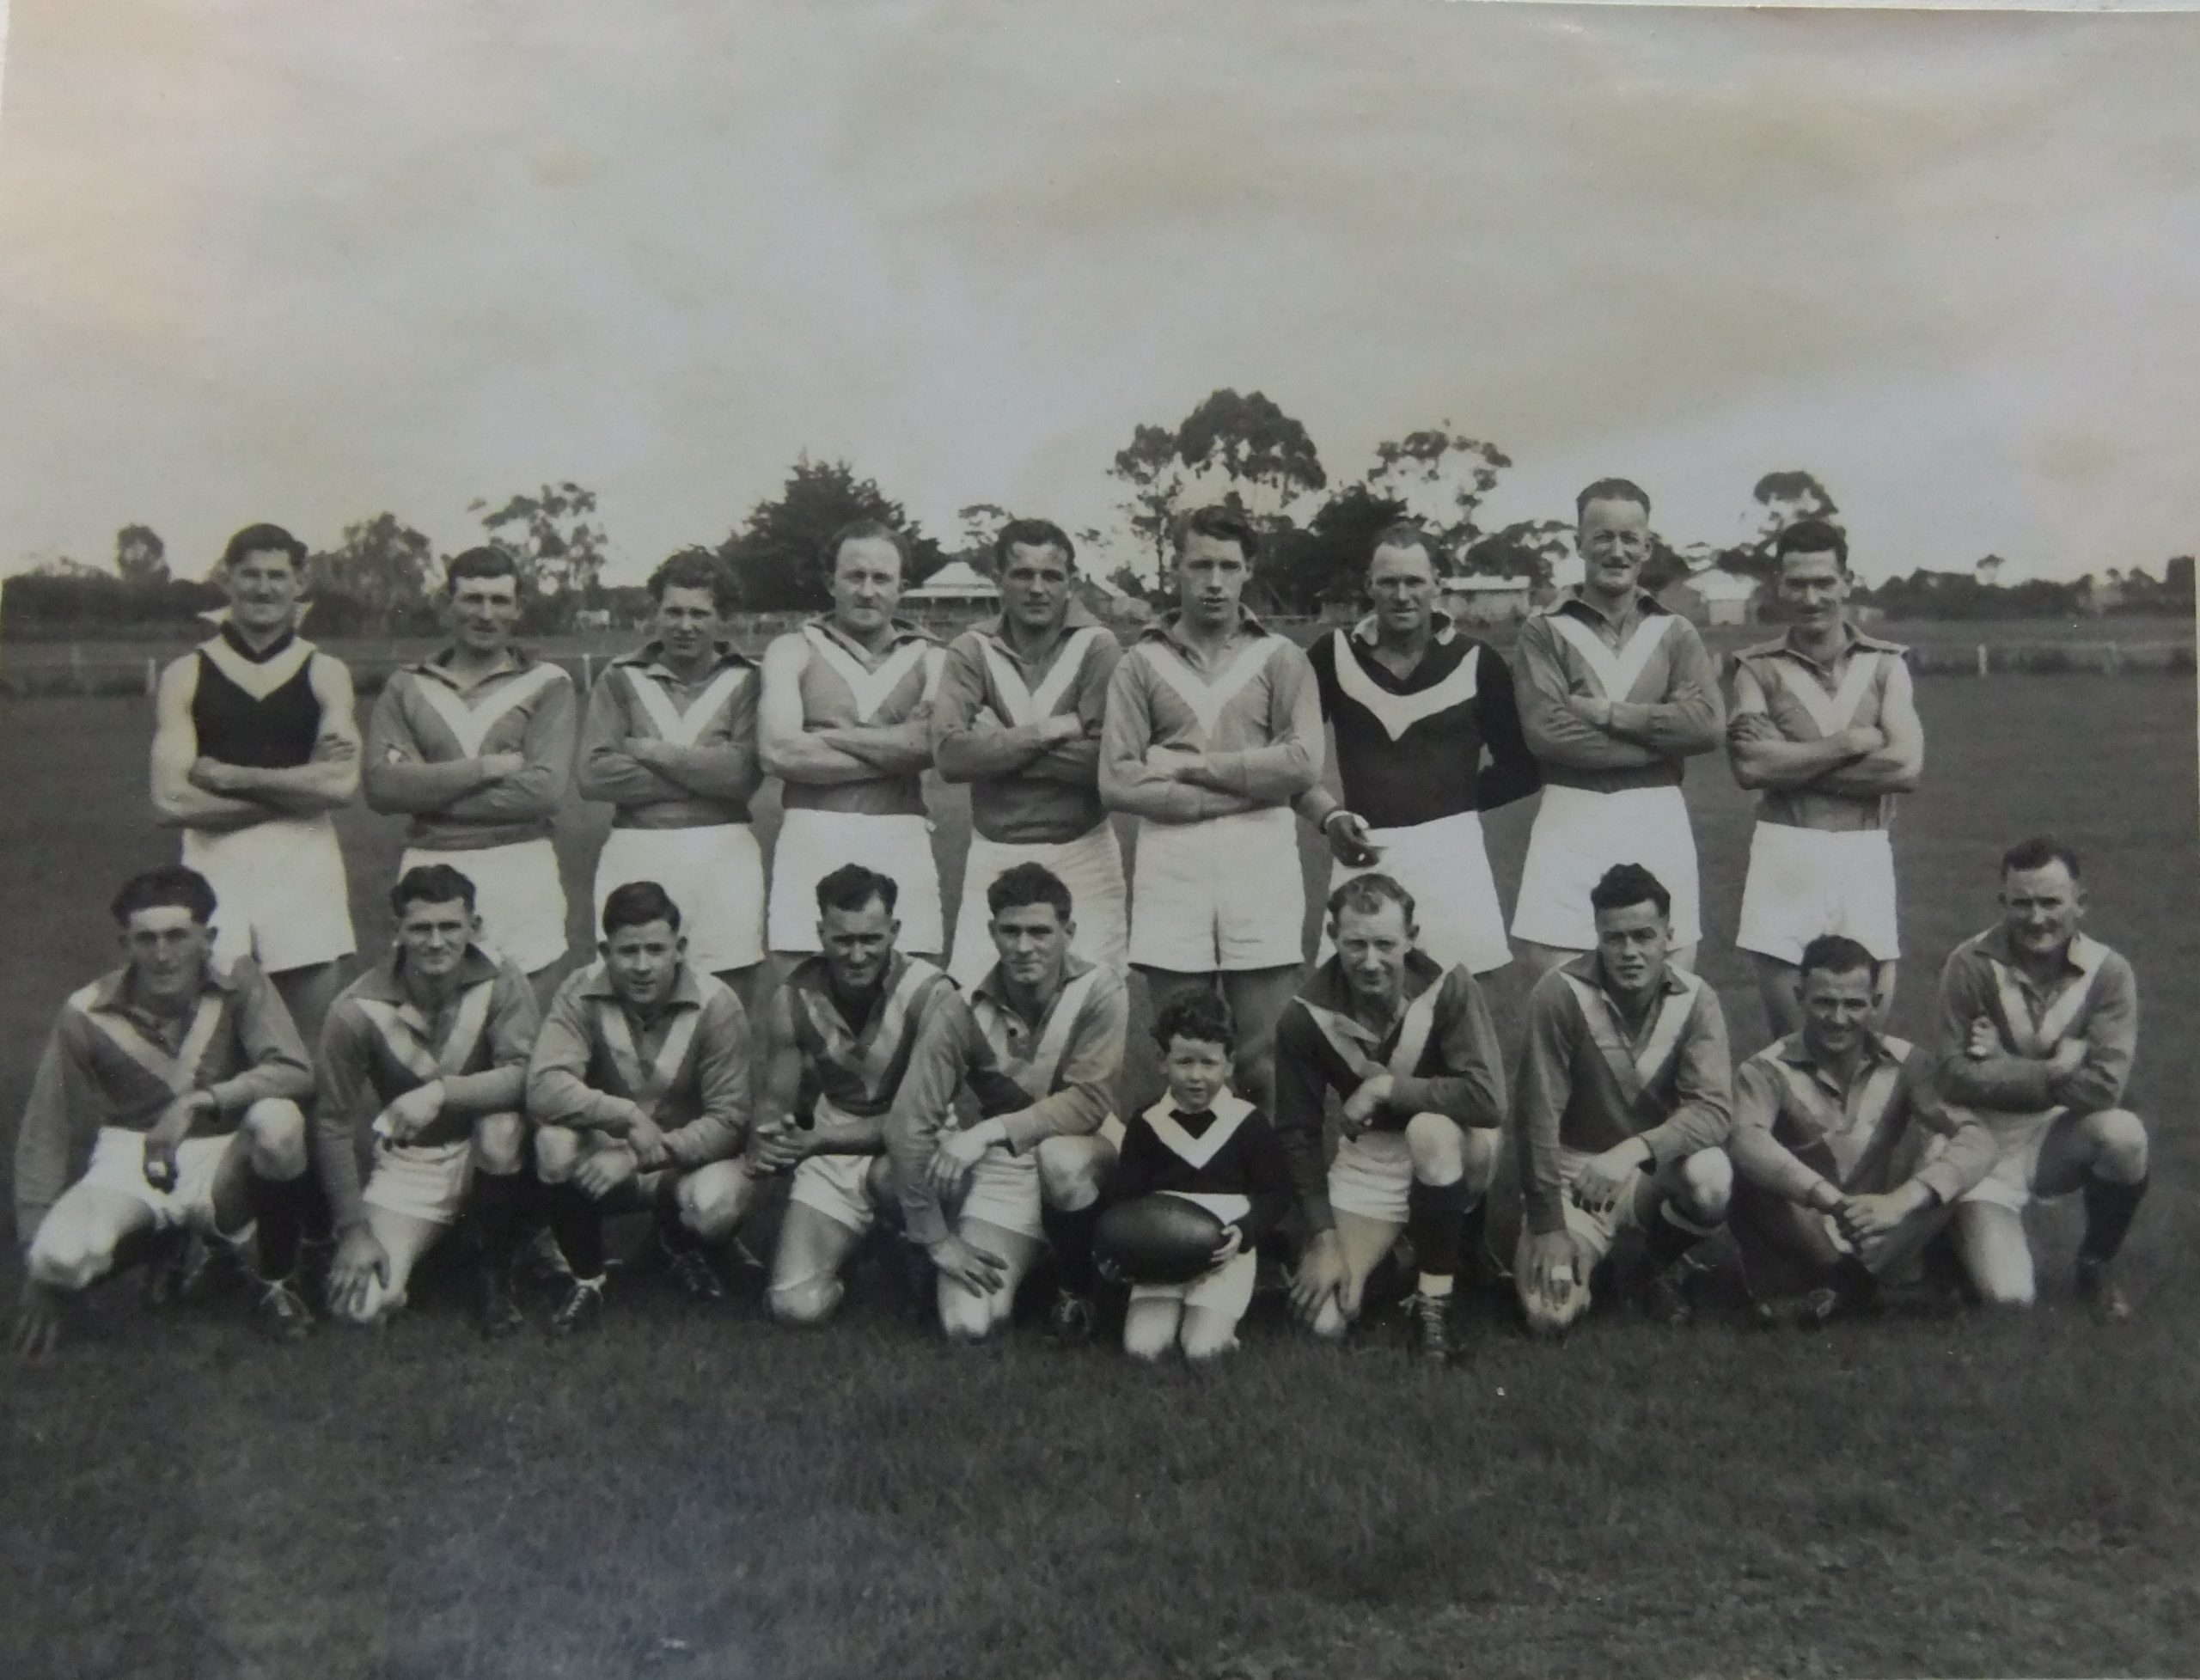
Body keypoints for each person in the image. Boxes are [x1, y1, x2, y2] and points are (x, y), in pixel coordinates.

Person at [13, 866, 319, 1354]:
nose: (162, 954)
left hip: (224, 1152)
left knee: (279, 1122)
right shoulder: (86, 1011)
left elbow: (294, 1069)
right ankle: (163, 1241)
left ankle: (278, 1284)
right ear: (124, 943)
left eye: (177, 936)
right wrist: (38, 1262)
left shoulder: (238, 981)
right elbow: (45, 1129)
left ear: (207, 936)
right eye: (146, 938)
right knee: (61, 1258)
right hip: (132, 1154)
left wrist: (201, 1100)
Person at [1099, 506, 1323, 1108]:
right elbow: (1118, 783)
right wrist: (1249, 785)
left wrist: (1193, 768)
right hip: (1173, 865)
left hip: (1263, 862)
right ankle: (1187, 1191)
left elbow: (1302, 764)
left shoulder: (1281, 657)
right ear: (1177, 568)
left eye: (1229, 566)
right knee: (1183, 1050)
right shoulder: (1140, 662)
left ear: (1249, 569)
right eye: (1201, 565)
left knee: (1266, 1053)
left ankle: (1274, 1192)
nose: (1215, 581)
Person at [1275, 875, 1506, 1364]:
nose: (1371, 960)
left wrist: (1385, 1088)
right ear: (1334, 937)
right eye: (1355, 944)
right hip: (1373, 1156)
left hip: (1454, 1142)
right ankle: (1416, 1248)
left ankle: (1434, 1302)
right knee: (1326, 1320)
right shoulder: (1304, 1017)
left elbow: (1487, 1100)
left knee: (1429, 1132)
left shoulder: (1449, 988)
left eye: (1385, 943)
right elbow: (1296, 1133)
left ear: (1412, 936)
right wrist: (1323, 1238)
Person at [897, 863, 1131, 1343]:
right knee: (967, 1325)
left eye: (1040, 932)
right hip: (1009, 1167)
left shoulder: (1100, 988)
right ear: (992, 932)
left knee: (1061, 1162)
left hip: (1090, 1151)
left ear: (1068, 932)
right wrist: (936, 1240)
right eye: (1011, 931)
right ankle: (1040, 1257)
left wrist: (984, 1132)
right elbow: (908, 1123)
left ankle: (1076, 1289)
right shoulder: (960, 1008)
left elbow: (1089, 1102)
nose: (1024, 947)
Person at [1296, 523, 1538, 979]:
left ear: (1437, 586)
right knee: (1359, 1023)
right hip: (1365, 856)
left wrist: (1454, 806)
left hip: (1454, 860)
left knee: (1458, 1023)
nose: (1402, 595)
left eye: (1414, 581)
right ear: (1369, 585)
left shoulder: (1478, 661)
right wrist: (1329, 818)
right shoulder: (1332, 656)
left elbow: (1523, 766)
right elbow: (1290, 756)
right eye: (1388, 582)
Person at [150, 522, 360, 1041]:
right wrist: (295, 792)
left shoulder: (325, 671)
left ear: (299, 583)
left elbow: (340, 786)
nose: (263, 589)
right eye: (250, 575)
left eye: (276, 575)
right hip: (213, 863)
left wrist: (227, 776)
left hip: (304, 861)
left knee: (309, 1041)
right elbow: (170, 800)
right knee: (210, 1037)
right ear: (226, 579)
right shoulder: (187, 673)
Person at [315, 864, 541, 1336]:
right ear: (396, 931)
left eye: (450, 927)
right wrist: (353, 1230)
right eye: (420, 928)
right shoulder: (355, 1009)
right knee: (361, 1308)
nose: (436, 942)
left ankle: (496, 1279)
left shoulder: (502, 980)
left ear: (473, 928)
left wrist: (441, 1093)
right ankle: (454, 1242)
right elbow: (333, 1122)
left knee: (501, 1129)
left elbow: (528, 1078)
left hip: (496, 1151)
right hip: (415, 1162)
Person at [524, 882, 760, 1335]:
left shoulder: (717, 1004)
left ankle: (677, 1243)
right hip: (609, 1150)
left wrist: (637, 1156)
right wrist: (626, 1119)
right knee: (553, 1142)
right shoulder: (580, 992)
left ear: (680, 949)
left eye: (656, 950)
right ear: (605, 950)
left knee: (718, 1204)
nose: (642, 966)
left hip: (684, 1161)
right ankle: (587, 1275)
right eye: (628, 951)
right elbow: (543, 1087)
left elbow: (730, 1121)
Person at [1511, 480, 1722, 979]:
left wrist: (1611, 715)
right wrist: (1663, 743)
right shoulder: (1544, 630)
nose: (1617, 550)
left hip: (1659, 817)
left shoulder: (1675, 632)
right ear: (1578, 542)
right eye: (1603, 536)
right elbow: (1549, 734)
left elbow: (1708, 727)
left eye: (1630, 538)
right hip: (1571, 815)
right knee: (1563, 997)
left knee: (1667, 992)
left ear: (1647, 547)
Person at [1728, 934, 1996, 1324]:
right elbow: (1745, 1141)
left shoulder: (1908, 1062)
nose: (1838, 1019)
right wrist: (1830, 1201)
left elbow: (1979, 1138)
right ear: (1799, 996)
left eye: (1853, 1004)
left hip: (1878, 1227)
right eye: (1824, 1002)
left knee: (1946, 1146)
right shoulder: (1765, 1069)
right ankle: (1871, 1290)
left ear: (1876, 1003)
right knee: (1755, 1162)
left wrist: (1901, 1201)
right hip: (1805, 1232)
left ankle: (1847, 1292)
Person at [1513, 864, 1734, 1335]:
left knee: (1712, 1176)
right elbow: (1537, 1116)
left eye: (1643, 936)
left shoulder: (1697, 998)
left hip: (1650, 1168)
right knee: (1548, 1316)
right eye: (1615, 939)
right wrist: (1549, 1224)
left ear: (1668, 936)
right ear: (1597, 935)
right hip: (1576, 1174)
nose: (1630, 952)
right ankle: (1588, 1256)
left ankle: (1653, 1264)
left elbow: (1714, 1110)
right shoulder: (1558, 994)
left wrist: (1631, 1151)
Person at [1932, 837, 2147, 1318]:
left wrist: (1999, 1065)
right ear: (2002, 903)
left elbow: (2104, 1086)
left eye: (2050, 902)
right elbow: (1949, 1075)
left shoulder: (2109, 973)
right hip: (1979, 1145)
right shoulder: (1968, 965)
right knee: (2009, 1299)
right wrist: (2051, 1069)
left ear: (2080, 904)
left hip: (2055, 1137)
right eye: (2022, 903)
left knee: (2123, 1135)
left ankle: (2095, 1265)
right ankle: (1951, 1236)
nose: (2036, 918)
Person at [751, 864, 975, 1325]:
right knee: (794, 1307)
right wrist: (767, 1144)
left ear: (894, 930)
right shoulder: (792, 998)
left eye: (871, 940)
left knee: (897, 1172)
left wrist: (814, 1143)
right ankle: (860, 1251)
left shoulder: (933, 995)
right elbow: (774, 1106)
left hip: (919, 1143)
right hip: (833, 1140)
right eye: (842, 940)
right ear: (820, 933)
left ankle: (912, 1241)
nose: (856, 955)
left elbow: (910, 1124)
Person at [1727, 520, 1922, 1035]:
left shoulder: (1886, 665)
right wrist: (1848, 744)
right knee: (1792, 1049)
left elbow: (1904, 766)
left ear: (1846, 581)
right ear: (1778, 585)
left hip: (1865, 853)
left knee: (1866, 1044)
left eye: (1823, 582)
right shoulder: (1756, 669)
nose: (1810, 597)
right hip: (1785, 852)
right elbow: (1750, 766)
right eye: (1796, 584)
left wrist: (1793, 765)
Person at [363, 547, 578, 987]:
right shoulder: (408, 685)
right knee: (432, 1037)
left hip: (521, 869)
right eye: (472, 599)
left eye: (499, 601)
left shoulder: (548, 683)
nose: (485, 614)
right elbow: (383, 788)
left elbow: (543, 790)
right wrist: (484, 769)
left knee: (525, 1034)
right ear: (448, 605)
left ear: (517, 608)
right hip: (428, 870)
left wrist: (426, 787)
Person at [933, 519, 1128, 989]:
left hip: (1085, 853)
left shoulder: (1099, 646)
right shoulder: (971, 649)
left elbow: (1109, 762)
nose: (1037, 589)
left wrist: (999, 743)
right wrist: (1053, 730)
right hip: (994, 851)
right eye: (1022, 574)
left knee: (1091, 1004)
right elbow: (951, 758)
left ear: (1071, 583)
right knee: (978, 1014)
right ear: (999, 579)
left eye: (1052, 576)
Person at [759, 520, 946, 966]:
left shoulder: (934, 655)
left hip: (901, 834)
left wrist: (826, 737)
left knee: (909, 999)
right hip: (811, 833)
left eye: (881, 578)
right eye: (854, 576)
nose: (867, 591)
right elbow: (778, 751)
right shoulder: (792, 649)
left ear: (902, 587)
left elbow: (933, 747)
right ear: (830, 582)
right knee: (802, 997)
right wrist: (896, 748)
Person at [578, 549, 764, 996]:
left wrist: (652, 752)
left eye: (699, 613)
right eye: (673, 611)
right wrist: (706, 771)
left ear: (721, 618)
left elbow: (741, 775)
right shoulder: (621, 677)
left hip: (724, 858)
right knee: (630, 996)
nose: (685, 625)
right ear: (654, 613)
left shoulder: (749, 679)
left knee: (726, 997)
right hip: (636, 851)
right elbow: (594, 774)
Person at [1103, 992, 1293, 1363]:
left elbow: (1276, 1192)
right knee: (1144, 1350)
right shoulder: (1147, 1123)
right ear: (1162, 1062)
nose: (1195, 1076)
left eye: (1209, 1063)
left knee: (1202, 1351)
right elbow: (1126, 1197)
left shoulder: (1247, 1123)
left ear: (1229, 1064)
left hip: (1224, 1252)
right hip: (1160, 1256)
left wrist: (1246, 1231)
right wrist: (1116, 1249)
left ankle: (1222, 1329)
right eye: (1184, 1062)